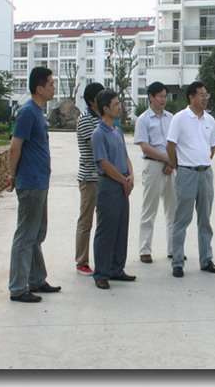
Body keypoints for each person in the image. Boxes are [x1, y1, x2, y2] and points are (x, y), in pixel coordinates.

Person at [6, 67, 60, 303]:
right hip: (30, 182)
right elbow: (14, 147)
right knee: (25, 235)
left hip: (40, 181)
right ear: (39, 88)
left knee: (37, 233)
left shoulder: (38, 112)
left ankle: (37, 279)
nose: (53, 87)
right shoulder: (28, 112)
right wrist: (12, 175)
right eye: (50, 83)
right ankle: (18, 288)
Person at [166, 81, 215, 278]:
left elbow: (212, 146)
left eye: (207, 95)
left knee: (205, 219)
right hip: (186, 173)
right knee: (182, 219)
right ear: (191, 97)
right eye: (201, 95)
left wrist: (203, 162)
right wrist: (178, 166)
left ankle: (206, 260)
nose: (205, 98)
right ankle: (177, 262)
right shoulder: (180, 118)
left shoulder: (210, 120)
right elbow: (170, 146)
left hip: (206, 173)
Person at [91, 89, 136, 290]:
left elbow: (126, 156)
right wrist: (123, 181)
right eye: (116, 104)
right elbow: (104, 163)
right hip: (109, 185)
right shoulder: (99, 133)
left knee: (120, 228)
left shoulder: (117, 131)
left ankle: (117, 268)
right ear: (105, 108)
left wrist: (131, 175)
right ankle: (101, 273)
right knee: (106, 230)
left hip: (122, 184)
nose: (120, 107)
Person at [134, 81, 176, 263]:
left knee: (173, 210)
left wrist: (171, 163)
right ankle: (145, 249)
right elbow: (145, 146)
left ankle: (173, 248)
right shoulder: (143, 119)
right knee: (149, 209)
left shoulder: (171, 118)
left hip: (171, 167)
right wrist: (167, 159)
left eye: (165, 96)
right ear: (150, 97)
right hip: (153, 167)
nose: (163, 100)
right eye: (159, 96)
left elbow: (176, 142)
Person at [74, 82, 105, 275]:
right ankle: (82, 262)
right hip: (90, 177)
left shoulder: (103, 118)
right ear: (93, 100)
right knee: (86, 221)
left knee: (104, 220)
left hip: (104, 177)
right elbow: (97, 148)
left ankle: (102, 259)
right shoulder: (85, 119)